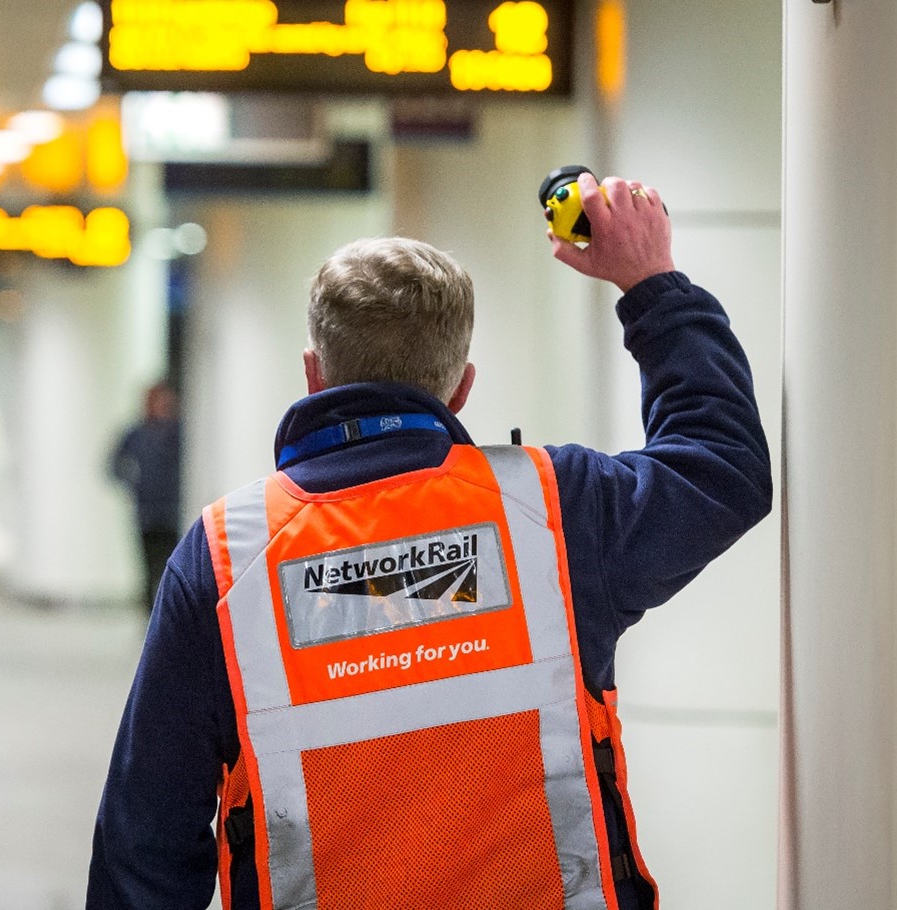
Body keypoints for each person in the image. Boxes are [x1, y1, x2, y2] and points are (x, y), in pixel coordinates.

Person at [86, 173, 772, 909]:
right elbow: (721, 466)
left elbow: (147, 837)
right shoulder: (553, 513)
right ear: (462, 386)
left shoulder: (227, 559)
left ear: (313, 374)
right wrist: (651, 281)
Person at [110, 381, 183, 614]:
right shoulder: (137, 433)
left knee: (171, 567)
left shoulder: (179, 432)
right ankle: (150, 617)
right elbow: (113, 465)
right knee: (148, 569)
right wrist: (133, 483)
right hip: (146, 511)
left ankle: (168, 616)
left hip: (173, 511)